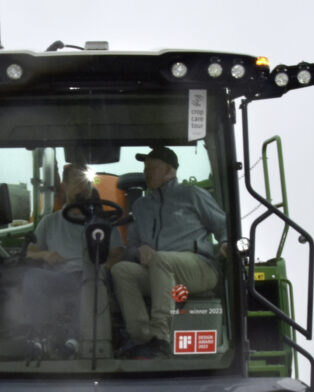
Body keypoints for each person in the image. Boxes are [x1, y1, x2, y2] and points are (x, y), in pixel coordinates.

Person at [110, 146, 226, 358]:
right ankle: (142, 338)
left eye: (153, 167)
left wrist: (227, 243)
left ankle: (160, 337)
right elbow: (131, 248)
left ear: (170, 171)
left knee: (160, 259)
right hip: (159, 271)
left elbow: (223, 226)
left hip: (199, 268)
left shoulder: (192, 195)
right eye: (145, 168)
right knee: (121, 270)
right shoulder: (142, 206)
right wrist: (139, 251)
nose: (147, 173)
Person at [17, 164, 122, 358]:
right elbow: (29, 253)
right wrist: (45, 255)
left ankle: (72, 343)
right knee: (32, 277)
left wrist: (101, 268)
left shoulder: (102, 223)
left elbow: (117, 252)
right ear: (64, 185)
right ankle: (39, 340)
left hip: (92, 276)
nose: (83, 187)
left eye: (86, 183)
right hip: (61, 277)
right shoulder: (50, 222)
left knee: (90, 282)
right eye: (77, 182)